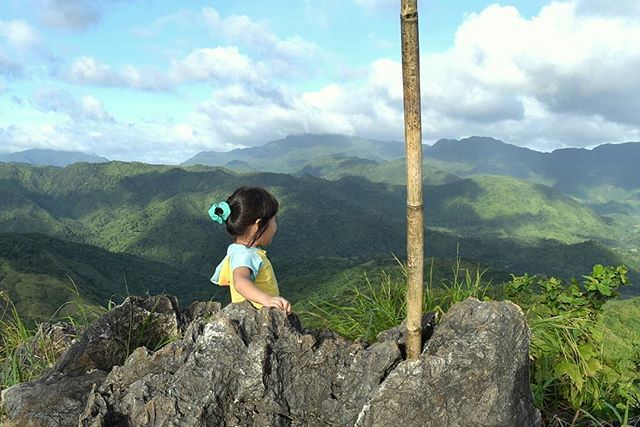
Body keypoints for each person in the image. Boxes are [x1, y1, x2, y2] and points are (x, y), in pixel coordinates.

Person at [208, 186, 291, 314]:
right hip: (256, 319)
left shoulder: (236, 250)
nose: (275, 225)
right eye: (274, 219)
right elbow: (240, 282)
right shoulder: (245, 255)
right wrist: (266, 299)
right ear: (258, 225)